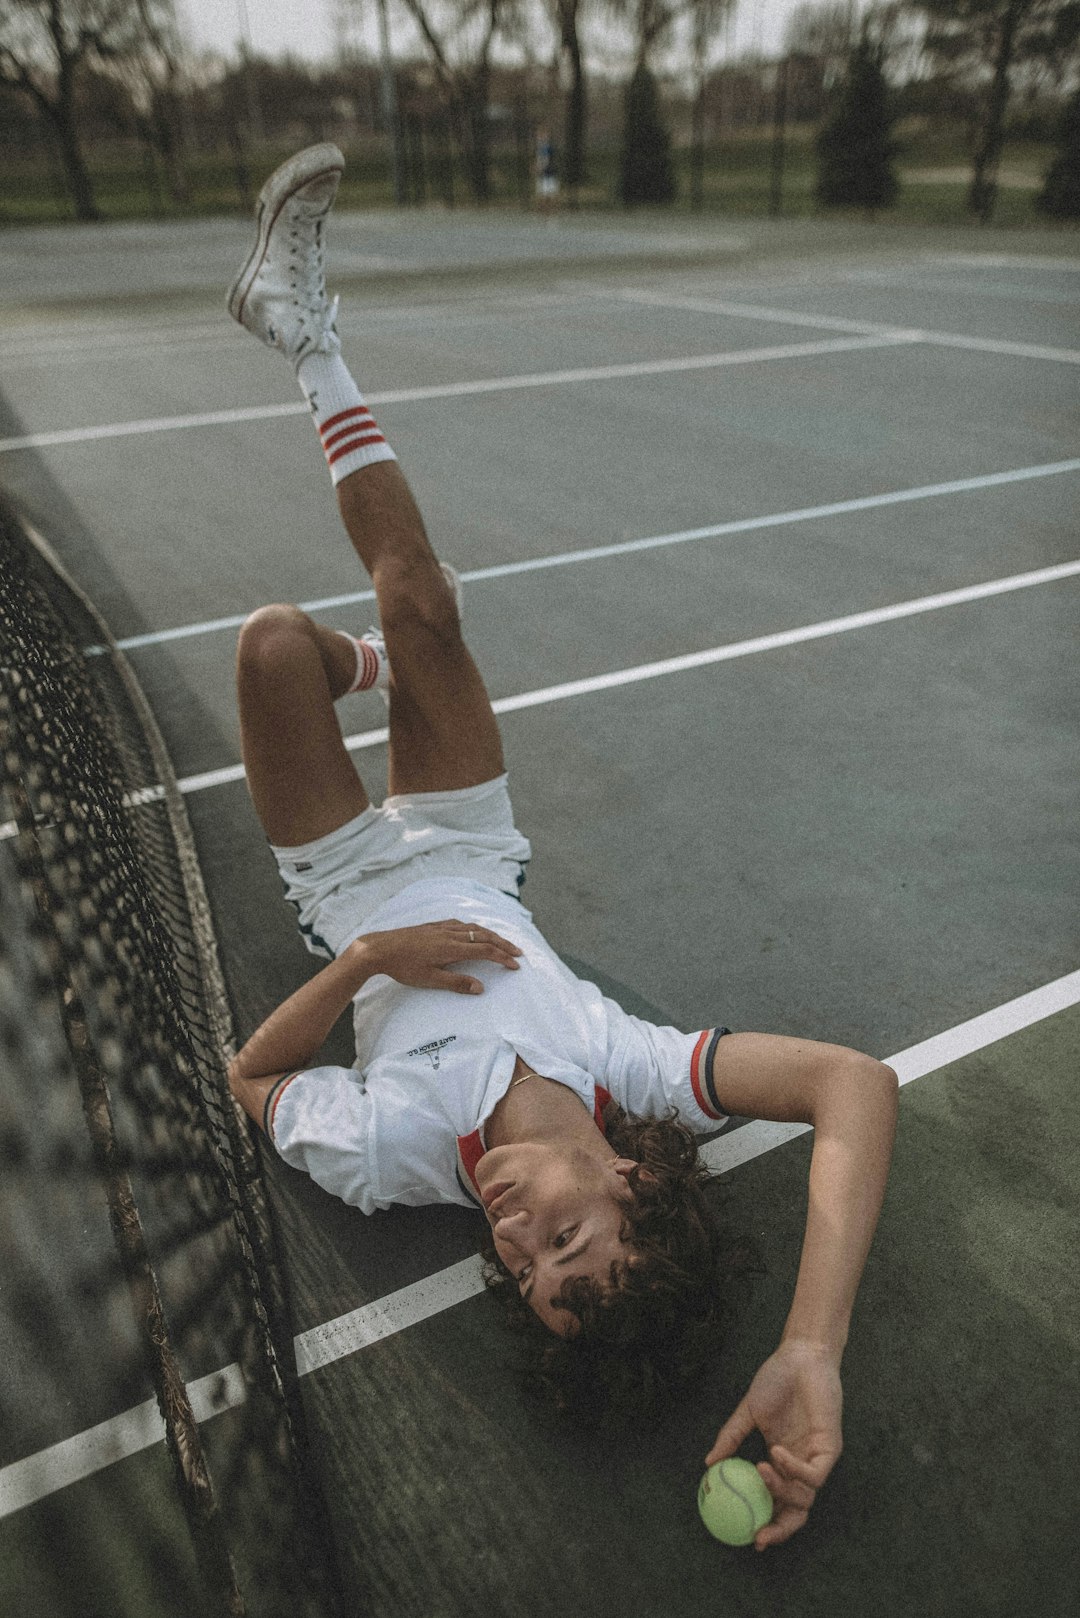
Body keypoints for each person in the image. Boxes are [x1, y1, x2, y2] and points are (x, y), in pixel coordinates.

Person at [225, 144, 899, 1551]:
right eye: (567, 1240)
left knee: (272, 643)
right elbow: (852, 1084)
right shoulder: (639, 1075)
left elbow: (256, 1075)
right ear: (635, 1181)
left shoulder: (405, 1151)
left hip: (352, 890)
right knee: (422, 599)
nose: (516, 1233)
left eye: (521, 1269)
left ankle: (352, 665)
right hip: (475, 845)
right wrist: (815, 1347)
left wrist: (367, 956)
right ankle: (306, 328)